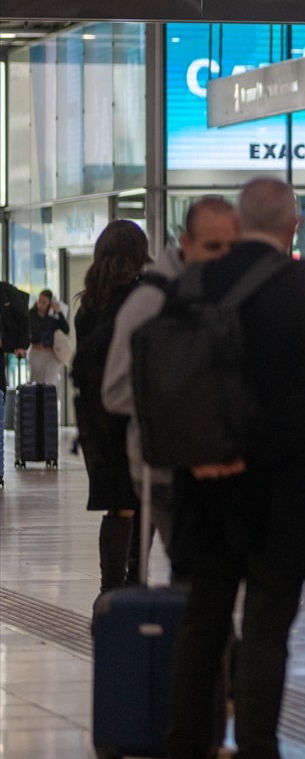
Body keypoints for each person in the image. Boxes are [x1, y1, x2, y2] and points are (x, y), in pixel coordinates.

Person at [167, 179, 305, 759]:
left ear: (238, 224)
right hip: (281, 485)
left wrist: (211, 450)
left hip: (206, 480)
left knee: (205, 616)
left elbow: (169, 377)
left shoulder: (195, 282)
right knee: (268, 620)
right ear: (293, 225)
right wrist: (260, 444)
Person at [103, 197, 241, 571]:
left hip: (222, 463)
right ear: (186, 242)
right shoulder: (152, 300)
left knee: (216, 580)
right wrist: (191, 410)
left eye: (232, 246)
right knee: (199, 578)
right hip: (167, 468)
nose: (223, 256)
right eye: (213, 246)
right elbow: (115, 390)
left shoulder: (227, 294)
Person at [70, 220, 152, 592]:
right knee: (139, 501)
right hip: (133, 413)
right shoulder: (141, 299)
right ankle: (133, 585)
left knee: (117, 506)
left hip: (95, 420)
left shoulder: (88, 305)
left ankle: (110, 591)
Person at [25, 289, 67, 384]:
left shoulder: (53, 315)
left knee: (51, 383)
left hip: (51, 353)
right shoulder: (32, 314)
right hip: (36, 352)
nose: (40, 305)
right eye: (39, 301)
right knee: (35, 382)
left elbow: (65, 329)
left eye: (44, 302)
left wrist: (59, 312)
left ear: (50, 303)